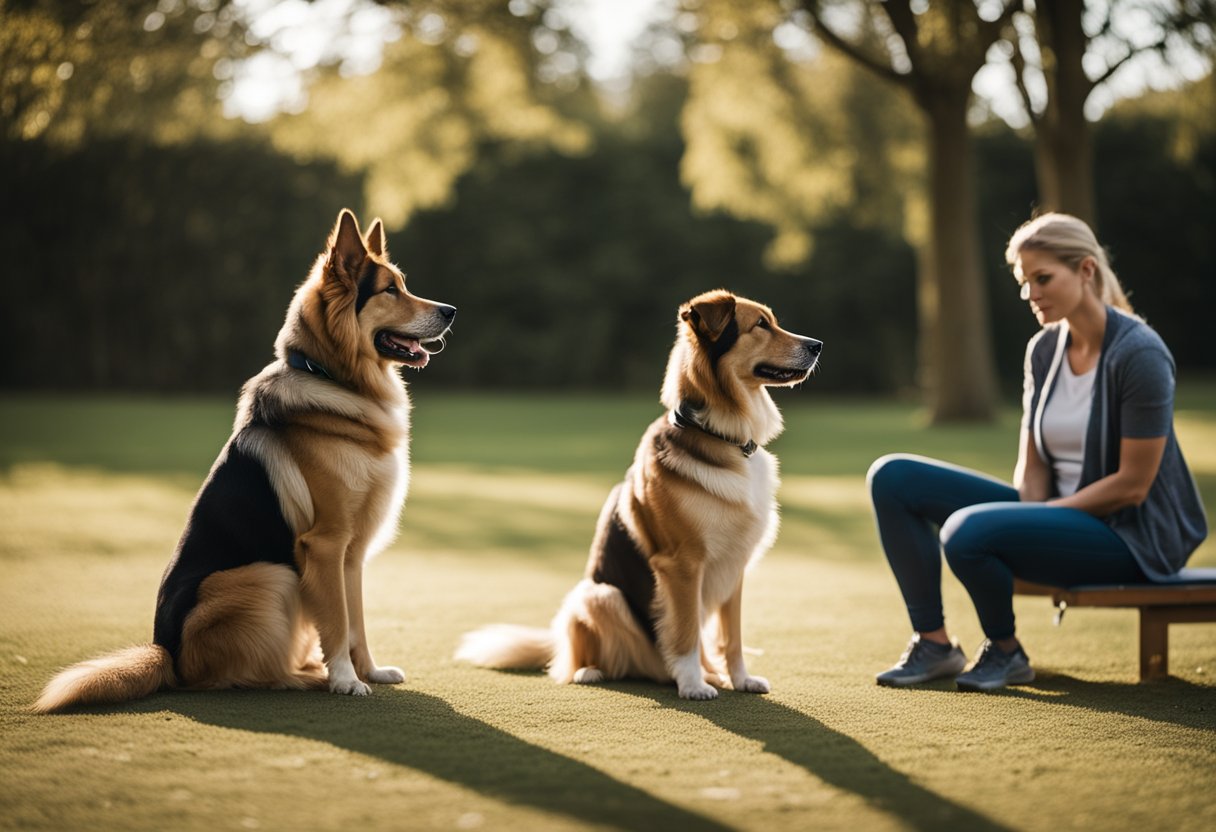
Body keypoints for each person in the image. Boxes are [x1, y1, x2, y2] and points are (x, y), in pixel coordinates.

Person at [868, 212, 1207, 692]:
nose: (1031, 294)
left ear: (1086, 271)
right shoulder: (1043, 350)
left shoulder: (1140, 354)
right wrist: (1028, 516)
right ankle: (935, 645)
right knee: (893, 477)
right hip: (1059, 516)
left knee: (969, 530)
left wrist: (1040, 517)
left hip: (1131, 538)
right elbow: (1032, 470)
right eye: (1025, 282)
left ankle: (1005, 652)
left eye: (1042, 278)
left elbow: (1134, 485)